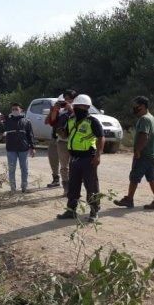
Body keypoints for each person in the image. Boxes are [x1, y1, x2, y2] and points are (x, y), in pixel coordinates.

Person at [56, 94, 104, 223]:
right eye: (76, 106)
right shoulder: (71, 119)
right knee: (73, 185)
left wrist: (98, 155)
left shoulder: (92, 121)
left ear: (86, 107)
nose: (77, 108)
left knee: (91, 185)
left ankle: (94, 211)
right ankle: (71, 210)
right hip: (74, 158)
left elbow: (101, 137)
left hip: (88, 158)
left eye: (79, 106)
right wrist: (59, 128)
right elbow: (65, 134)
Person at [114, 96, 154, 210]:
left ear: (142, 106)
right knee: (151, 178)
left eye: (135, 106)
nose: (133, 108)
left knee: (134, 177)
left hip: (144, 154)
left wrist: (138, 151)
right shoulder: (151, 118)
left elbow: (144, 136)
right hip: (151, 154)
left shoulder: (144, 119)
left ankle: (129, 199)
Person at [46, 89, 77, 192]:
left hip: (75, 142)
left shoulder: (79, 109)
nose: (67, 102)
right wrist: (54, 110)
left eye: (69, 99)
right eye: (65, 100)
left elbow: (80, 120)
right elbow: (52, 122)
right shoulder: (61, 111)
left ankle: (75, 188)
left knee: (75, 166)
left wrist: (71, 109)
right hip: (62, 141)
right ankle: (66, 189)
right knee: (64, 167)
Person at [0, 102, 35, 192]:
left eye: (16, 109)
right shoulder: (7, 120)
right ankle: (13, 188)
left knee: (24, 168)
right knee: (12, 169)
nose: (15, 111)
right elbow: (1, 130)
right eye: (13, 109)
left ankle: (24, 187)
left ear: (21, 110)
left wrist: (32, 147)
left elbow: (30, 135)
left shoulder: (27, 121)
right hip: (11, 148)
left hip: (23, 148)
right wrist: (0, 122)